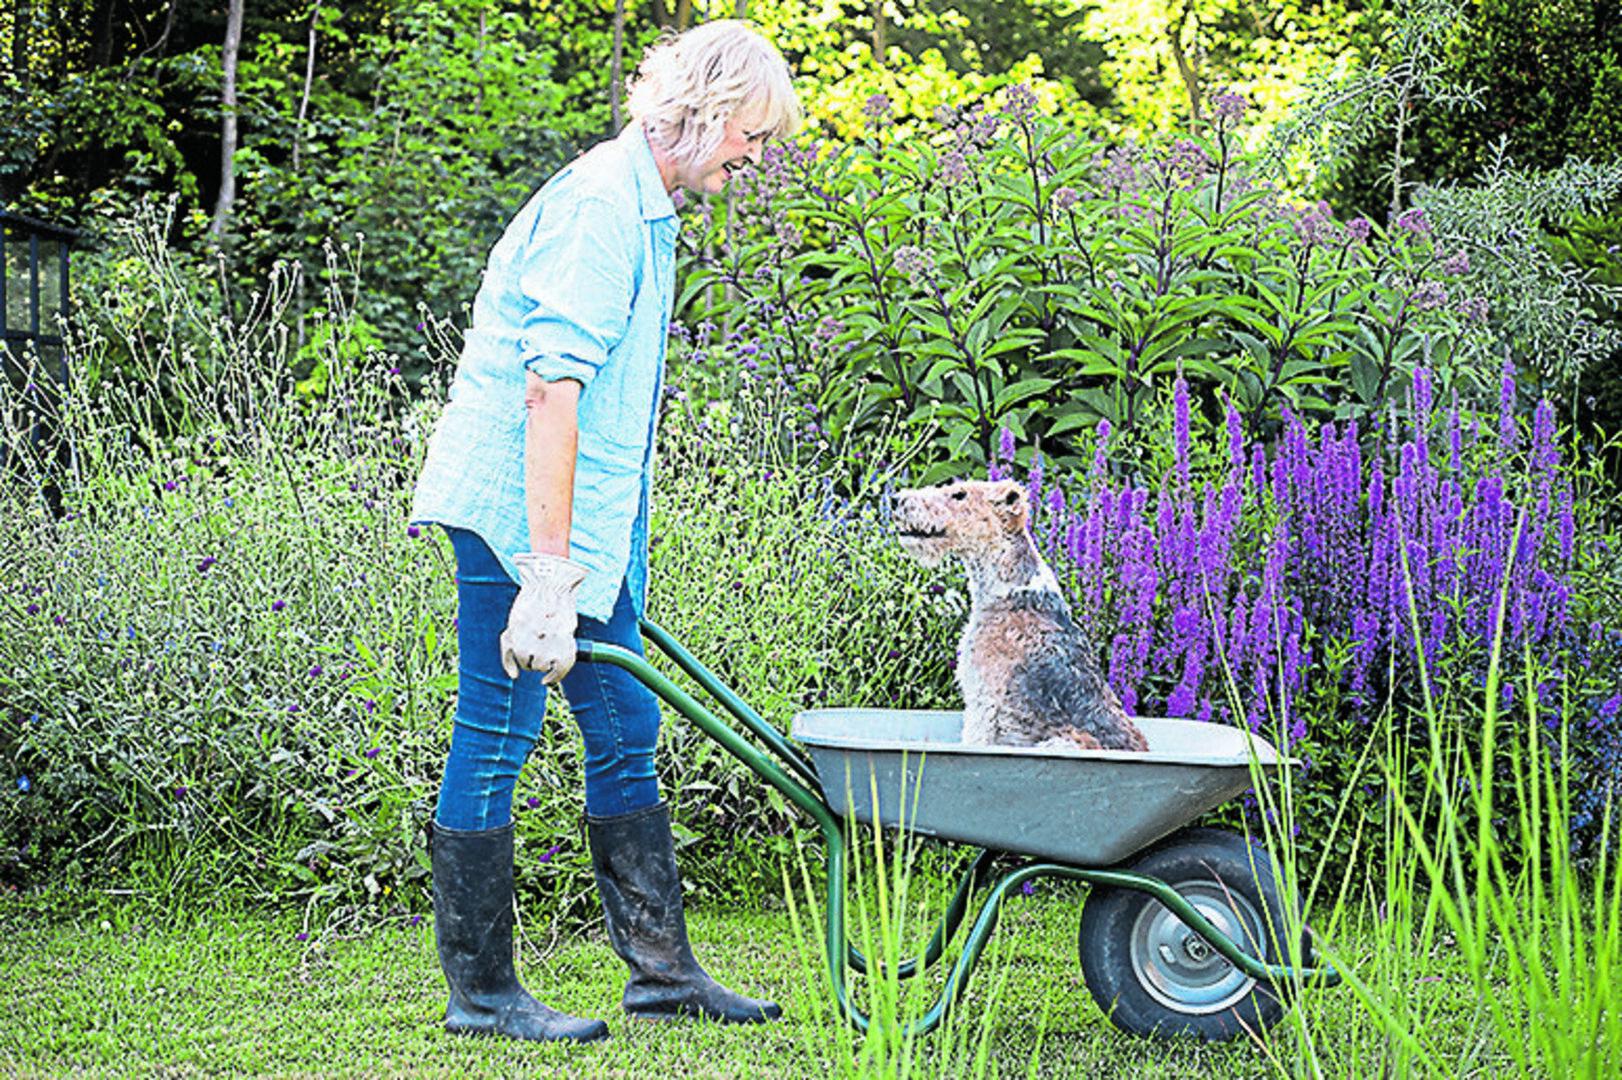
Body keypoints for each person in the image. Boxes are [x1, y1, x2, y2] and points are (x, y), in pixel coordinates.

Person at [408, 21, 801, 1044]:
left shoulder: (648, 209)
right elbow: (550, 390)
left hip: (586, 526)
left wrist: (591, 553)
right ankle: (483, 996)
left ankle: (660, 975)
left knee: (625, 726)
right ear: (703, 112)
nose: (752, 158)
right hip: (519, 520)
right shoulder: (597, 208)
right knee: (496, 733)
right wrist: (545, 574)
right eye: (749, 136)